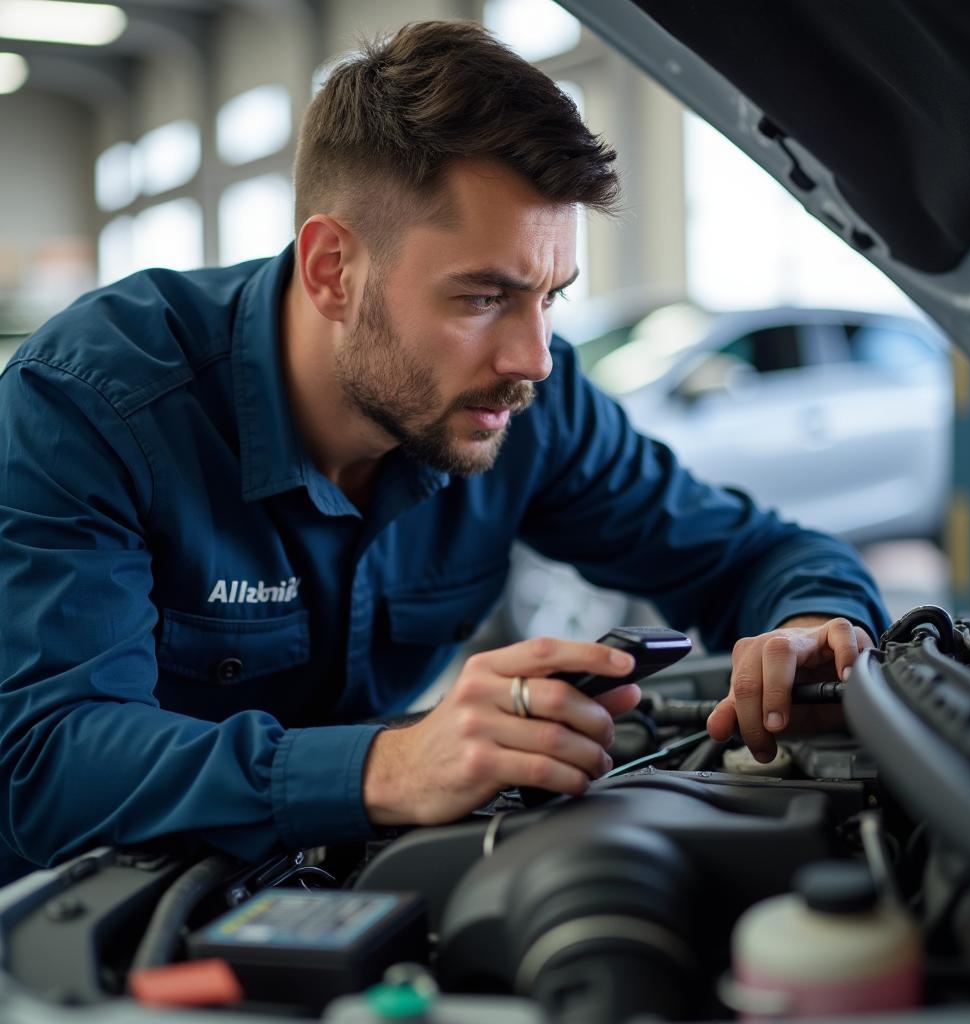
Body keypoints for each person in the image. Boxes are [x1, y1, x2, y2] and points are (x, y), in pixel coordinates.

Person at [0, 20, 886, 884]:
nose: (532, 359)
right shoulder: (90, 403)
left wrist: (810, 630)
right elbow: (46, 761)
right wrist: (386, 765)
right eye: (482, 297)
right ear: (331, 270)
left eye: (551, 297)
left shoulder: (533, 404)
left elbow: (764, 554)